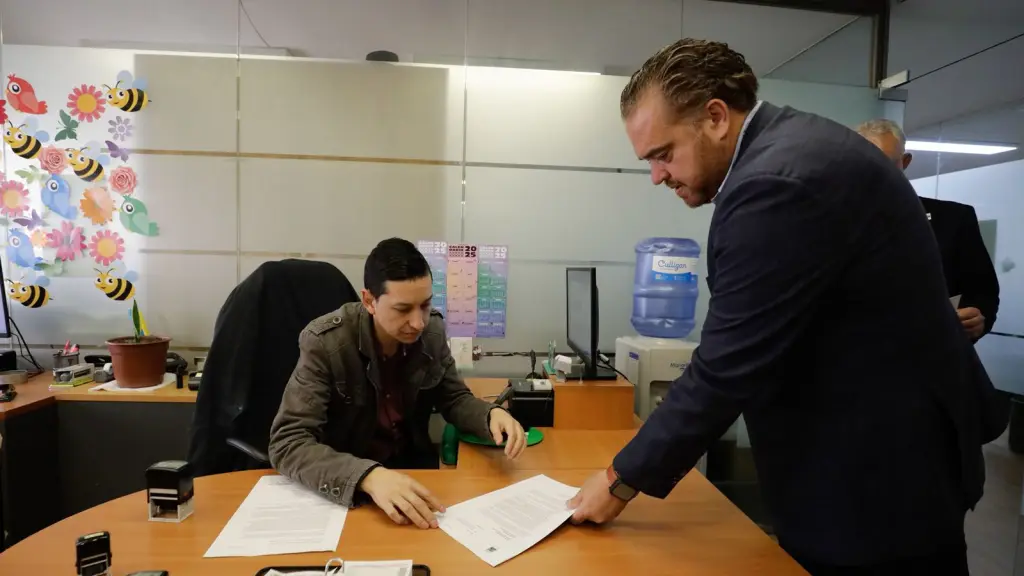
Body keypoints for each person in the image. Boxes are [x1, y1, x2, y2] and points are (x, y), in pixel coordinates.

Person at [567, 39, 1009, 575]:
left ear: (715, 117)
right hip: (885, 465)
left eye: (663, 154)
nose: (657, 175)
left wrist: (618, 481)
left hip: (876, 486)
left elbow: (726, 366)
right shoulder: (797, 148)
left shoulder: (776, 184)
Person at [270, 238, 526, 530]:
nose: (418, 322)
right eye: (403, 309)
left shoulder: (431, 332)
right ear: (369, 301)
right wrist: (369, 476)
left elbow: (453, 398)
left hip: (413, 477)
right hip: (351, 488)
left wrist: (489, 414)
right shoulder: (325, 343)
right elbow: (289, 443)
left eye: (425, 305)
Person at [857, 119, 1000, 341]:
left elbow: (982, 292)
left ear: (905, 162)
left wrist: (977, 321)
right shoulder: (828, 220)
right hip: (853, 361)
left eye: (888, 164)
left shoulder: (953, 219)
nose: (878, 174)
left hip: (933, 358)